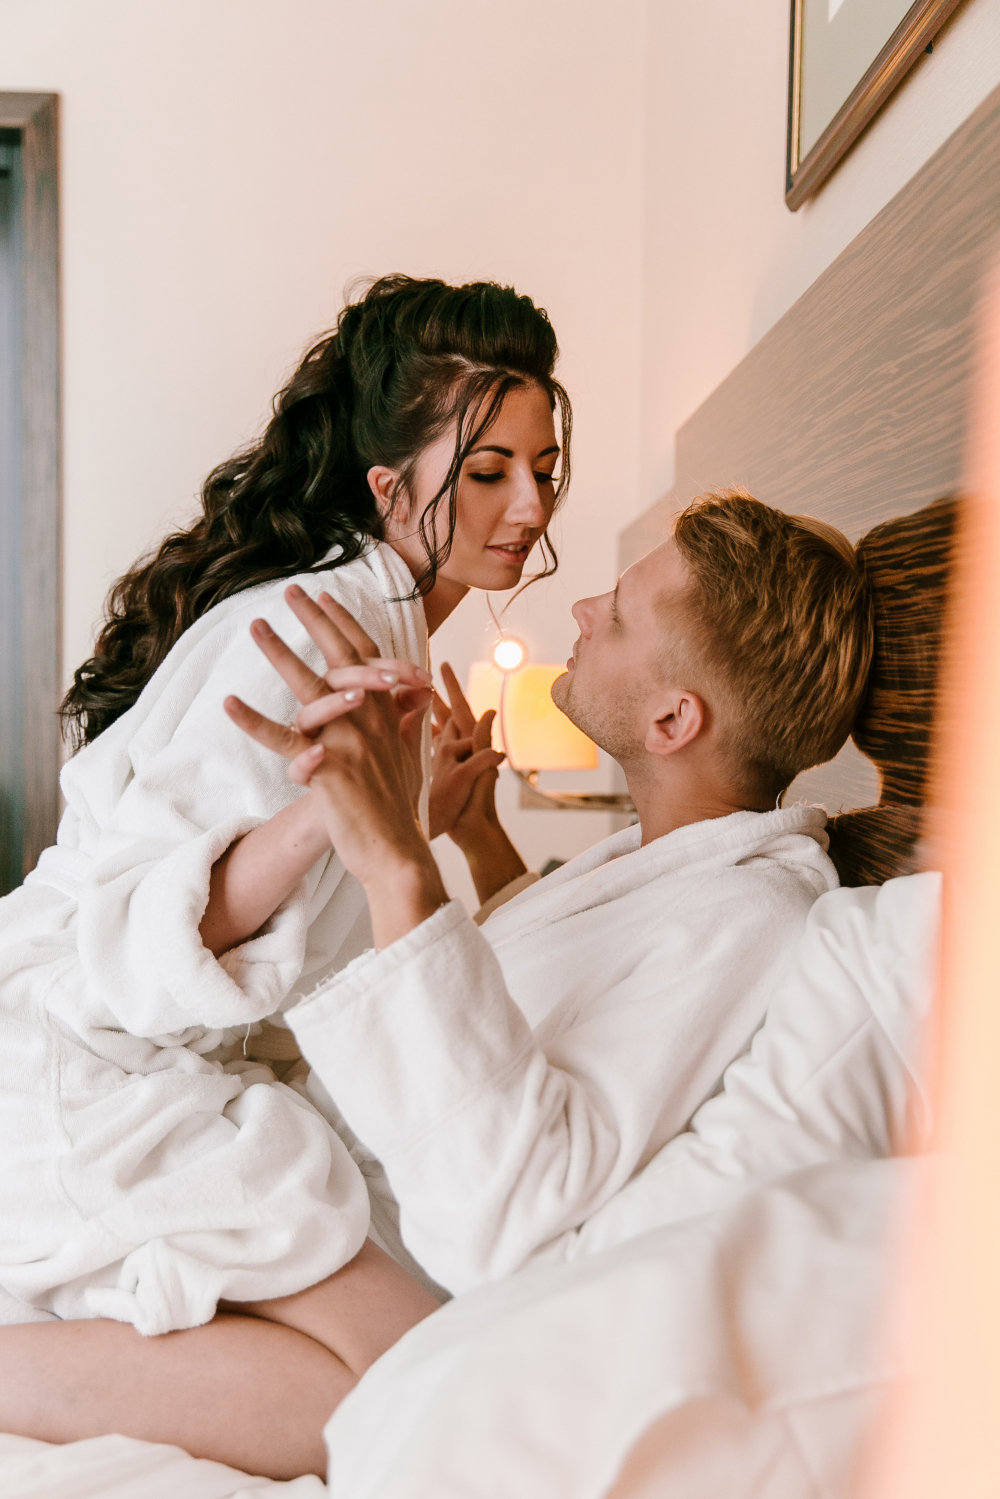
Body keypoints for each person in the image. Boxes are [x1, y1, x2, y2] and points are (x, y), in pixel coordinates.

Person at [0, 491, 869, 1480]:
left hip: (392, 1230)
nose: (583, 607)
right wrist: (470, 835)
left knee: (411, 1403)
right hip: (332, 1178)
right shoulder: (665, 858)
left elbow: (515, 1200)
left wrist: (393, 857)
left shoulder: (748, 914)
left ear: (675, 718)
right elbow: (544, 994)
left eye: (620, 615)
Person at [0, 275, 572, 1454]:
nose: (529, 504)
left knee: (416, 1389)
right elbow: (134, 946)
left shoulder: (384, 628)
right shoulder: (316, 624)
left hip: (152, 1067)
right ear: (388, 486)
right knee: (436, 1393)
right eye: (487, 471)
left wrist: (420, 822)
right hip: (82, 1066)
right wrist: (332, 811)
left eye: (543, 466)